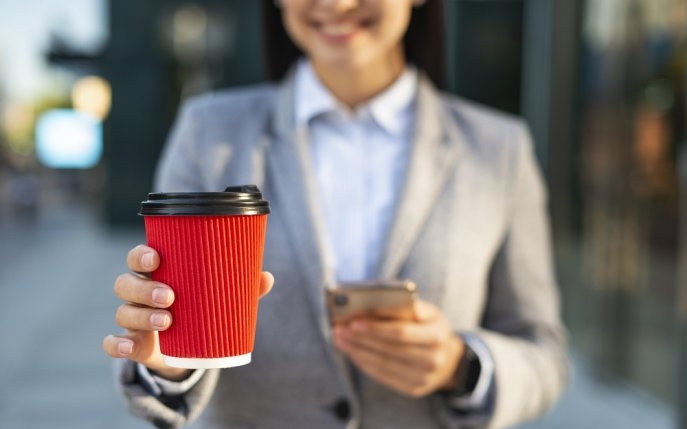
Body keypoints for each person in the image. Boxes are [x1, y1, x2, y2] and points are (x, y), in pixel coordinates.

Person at [102, 0, 569, 428]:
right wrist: (167, 358)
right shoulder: (210, 132)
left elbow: (542, 350)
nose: (338, 3)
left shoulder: (498, 148)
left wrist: (460, 365)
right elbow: (171, 327)